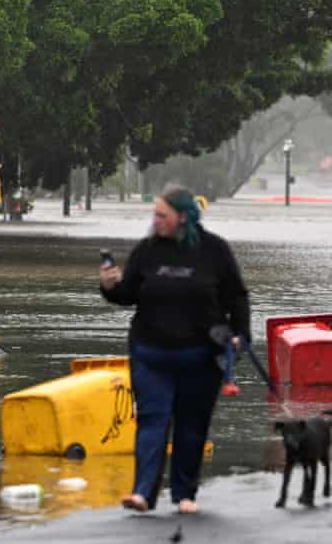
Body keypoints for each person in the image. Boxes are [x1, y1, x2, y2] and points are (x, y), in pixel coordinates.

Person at [99, 186, 250, 514]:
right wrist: (109, 286)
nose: (155, 221)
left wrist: (240, 335)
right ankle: (142, 493)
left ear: (183, 217)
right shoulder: (147, 250)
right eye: (154, 215)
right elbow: (127, 295)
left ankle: (184, 495)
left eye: (162, 215)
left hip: (200, 356)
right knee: (153, 420)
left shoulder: (215, 251)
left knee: (191, 426)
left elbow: (237, 296)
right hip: (150, 354)